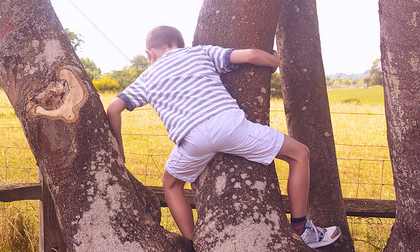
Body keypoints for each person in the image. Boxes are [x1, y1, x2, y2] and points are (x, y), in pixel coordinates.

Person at [107, 25, 341, 249]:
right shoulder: (200, 53)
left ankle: (193, 242)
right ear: (180, 43)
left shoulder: (147, 77)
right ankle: (302, 230)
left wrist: (119, 148)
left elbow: (114, 109)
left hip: (192, 140)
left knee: (171, 185)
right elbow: (249, 55)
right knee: (300, 154)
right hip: (229, 126)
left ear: (150, 53)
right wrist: (274, 61)